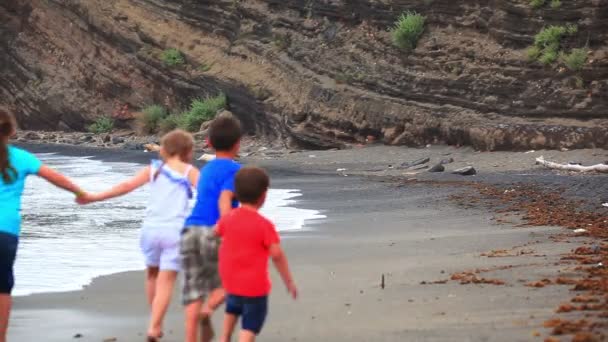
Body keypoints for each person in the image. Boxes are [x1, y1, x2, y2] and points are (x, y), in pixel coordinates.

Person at [78, 129, 199, 341]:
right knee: (167, 280)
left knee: (152, 274)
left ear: (165, 150)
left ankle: (155, 320)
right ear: (188, 151)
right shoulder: (189, 171)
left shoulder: (154, 170)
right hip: (175, 231)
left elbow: (126, 186)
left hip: (150, 230)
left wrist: (94, 197)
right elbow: (208, 194)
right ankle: (154, 326)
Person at [0, 110, 86, 342]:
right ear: (12, 131)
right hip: (6, 232)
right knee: (3, 287)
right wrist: (80, 193)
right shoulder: (20, 157)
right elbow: (55, 177)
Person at [216, 167, 298, 342]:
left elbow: (214, 235)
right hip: (255, 288)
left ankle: (224, 338)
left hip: (231, 283)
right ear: (263, 195)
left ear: (236, 194)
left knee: (232, 310)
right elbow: (276, 254)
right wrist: (289, 281)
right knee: (249, 327)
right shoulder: (263, 225)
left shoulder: (227, 219)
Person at [181, 116, 242, 342]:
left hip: (190, 230)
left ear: (210, 144)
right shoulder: (235, 171)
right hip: (215, 230)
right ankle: (208, 310)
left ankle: (191, 338)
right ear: (238, 143)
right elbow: (225, 200)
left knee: (193, 292)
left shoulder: (205, 170)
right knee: (233, 282)